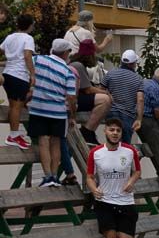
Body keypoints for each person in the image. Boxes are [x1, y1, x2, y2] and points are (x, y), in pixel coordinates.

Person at [86, 117, 141, 238]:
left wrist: (131, 182)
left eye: (118, 130)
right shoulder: (95, 153)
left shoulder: (130, 151)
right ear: (105, 131)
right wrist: (94, 189)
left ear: (121, 133)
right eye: (112, 130)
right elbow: (89, 177)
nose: (115, 133)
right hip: (105, 201)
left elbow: (137, 171)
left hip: (125, 201)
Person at [28, 39, 78, 189]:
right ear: (65, 53)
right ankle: (55, 176)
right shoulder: (68, 71)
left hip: (38, 109)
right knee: (56, 143)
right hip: (58, 113)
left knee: (43, 142)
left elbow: (25, 65)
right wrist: (73, 116)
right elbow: (71, 97)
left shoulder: (38, 59)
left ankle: (47, 176)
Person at [69, 39, 113, 147]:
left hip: (74, 97)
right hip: (74, 98)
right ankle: (88, 131)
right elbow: (87, 89)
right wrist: (105, 92)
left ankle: (89, 131)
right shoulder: (78, 66)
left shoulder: (75, 63)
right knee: (105, 100)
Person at [2, 13, 36, 150]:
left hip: (7, 73)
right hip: (19, 75)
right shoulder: (28, 38)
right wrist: (33, 74)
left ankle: (14, 133)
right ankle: (13, 135)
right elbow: (27, 55)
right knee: (17, 106)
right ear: (30, 25)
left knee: (12, 105)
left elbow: (2, 49)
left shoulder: (10, 37)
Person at [100, 49, 144, 145]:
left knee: (111, 144)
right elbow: (140, 99)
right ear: (132, 64)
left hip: (111, 112)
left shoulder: (110, 74)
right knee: (124, 146)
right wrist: (139, 119)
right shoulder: (138, 79)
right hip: (128, 116)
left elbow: (101, 90)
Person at [136, 66, 159, 175]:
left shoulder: (144, 82)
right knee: (158, 145)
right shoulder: (157, 88)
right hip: (148, 118)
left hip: (136, 116)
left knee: (150, 145)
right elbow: (157, 110)